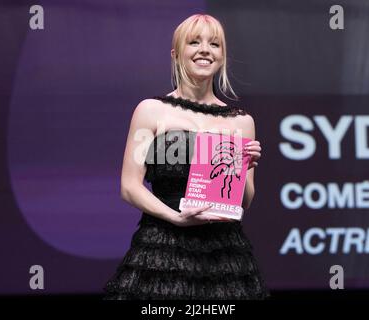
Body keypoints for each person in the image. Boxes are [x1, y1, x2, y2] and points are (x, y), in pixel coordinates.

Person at [104, 14, 269, 300]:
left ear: (222, 56)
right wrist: (175, 218)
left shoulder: (241, 121)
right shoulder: (151, 110)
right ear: (176, 53)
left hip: (224, 253)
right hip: (162, 246)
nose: (205, 50)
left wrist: (246, 167)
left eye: (214, 44)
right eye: (194, 42)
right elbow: (129, 187)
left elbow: (244, 202)